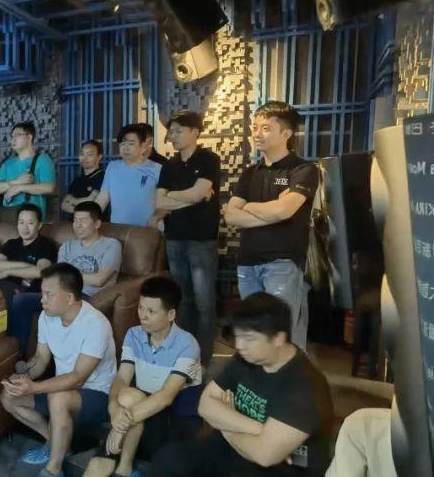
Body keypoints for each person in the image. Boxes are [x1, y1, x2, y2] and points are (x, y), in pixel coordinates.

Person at [145, 293, 334, 477]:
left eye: (249, 339)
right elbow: (205, 404)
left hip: (286, 468)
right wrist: (259, 429)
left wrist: (225, 424)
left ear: (278, 338)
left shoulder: (303, 387)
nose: (239, 345)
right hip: (239, 447)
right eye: (238, 336)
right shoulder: (248, 358)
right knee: (169, 461)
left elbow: (264, 455)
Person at [0, 264, 117, 477]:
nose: (42, 300)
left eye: (49, 295)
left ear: (69, 298)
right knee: (9, 396)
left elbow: (78, 377)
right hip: (61, 390)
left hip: (97, 396)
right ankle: (56, 443)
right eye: (42, 293)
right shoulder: (47, 317)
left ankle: (53, 471)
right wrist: (25, 378)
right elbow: (41, 359)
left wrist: (34, 387)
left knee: (59, 397)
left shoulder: (95, 324)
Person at [80, 277, 203, 477]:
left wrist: (119, 427)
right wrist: (113, 408)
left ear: (171, 315)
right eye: (140, 308)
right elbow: (122, 378)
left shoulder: (187, 344)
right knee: (127, 397)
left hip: (176, 420)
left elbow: (166, 397)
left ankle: (124, 468)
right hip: (143, 411)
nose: (143, 316)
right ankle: (124, 468)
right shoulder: (134, 335)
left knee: (130, 401)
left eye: (151, 311)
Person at [224, 101, 317, 349]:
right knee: (255, 334)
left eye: (265, 128)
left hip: (283, 263)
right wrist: (272, 209)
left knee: (284, 335)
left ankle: (292, 376)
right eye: (255, 127)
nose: (257, 133)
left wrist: (250, 206)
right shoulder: (249, 172)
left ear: (286, 133)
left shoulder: (303, 169)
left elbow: (285, 210)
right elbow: (230, 216)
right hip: (247, 263)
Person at [155, 109, 221, 365]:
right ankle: (185, 355)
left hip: (201, 239)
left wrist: (174, 197)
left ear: (195, 131)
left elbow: (194, 194)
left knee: (204, 303)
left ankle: (203, 358)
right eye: (171, 131)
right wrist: (193, 197)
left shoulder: (209, 159)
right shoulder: (169, 166)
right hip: (174, 238)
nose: (172, 136)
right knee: (182, 301)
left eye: (178, 130)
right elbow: (158, 201)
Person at [0, 203, 56, 355]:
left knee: (15, 298)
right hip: (6, 286)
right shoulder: (12, 244)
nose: (25, 227)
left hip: (28, 291)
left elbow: (41, 271)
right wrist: (24, 266)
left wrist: (7, 271)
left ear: (39, 225)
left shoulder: (46, 245)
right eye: (21, 222)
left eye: (30, 223)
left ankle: (16, 353)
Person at [95, 124, 163, 227]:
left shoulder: (157, 168)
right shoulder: (112, 167)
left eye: (131, 144)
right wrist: (90, 217)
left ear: (142, 146)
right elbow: (103, 198)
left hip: (148, 229)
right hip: (119, 229)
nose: (125, 148)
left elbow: (165, 201)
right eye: (122, 144)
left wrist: (156, 218)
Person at [0, 122, 57, 219]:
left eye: (17, 135)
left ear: (29, 137)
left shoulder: (42, 159)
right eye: (12, 136)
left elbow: (49, 187)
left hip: (32, 217)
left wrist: (19, 188)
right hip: (10, 214)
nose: (13, 139)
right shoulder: (8, 164)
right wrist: (17, 182)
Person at [59, 202, 123, 297]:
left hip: (89, 297)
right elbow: (60, 275)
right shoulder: (67, 245)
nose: (78, 225)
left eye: (83, 221)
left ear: (97, 224)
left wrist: (68, 275)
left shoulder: (111, 245)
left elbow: (99, 280)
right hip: (63, 294)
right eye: (75, 220)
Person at [62, 140, 106, 217]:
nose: (84, 158)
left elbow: (94, 207)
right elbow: (64, 206)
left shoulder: (103, 178)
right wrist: (87, 199)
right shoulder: (77, 180)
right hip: (75, 222)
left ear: (99, 157)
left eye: (89, 155)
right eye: (82, 154)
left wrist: (74, 202)